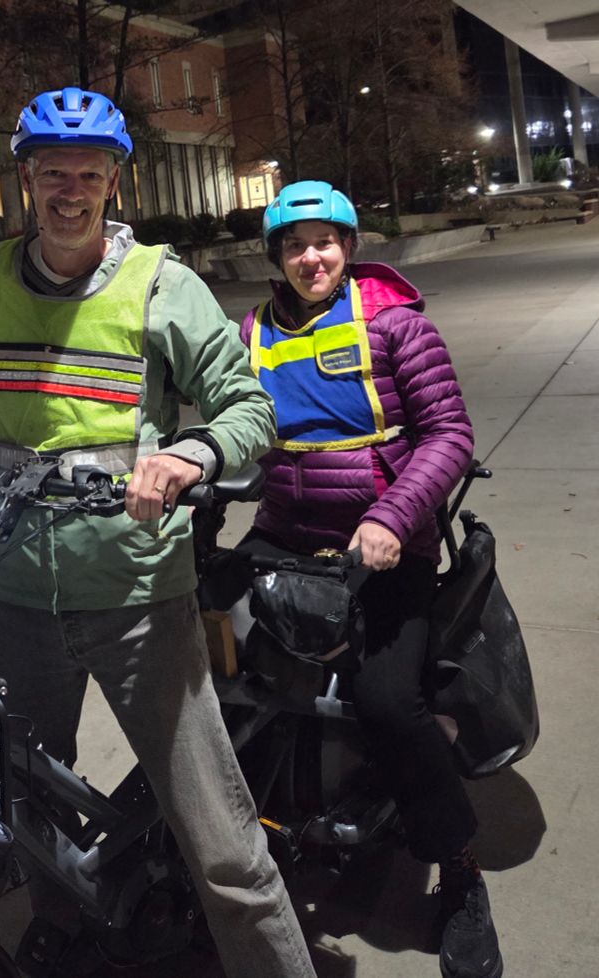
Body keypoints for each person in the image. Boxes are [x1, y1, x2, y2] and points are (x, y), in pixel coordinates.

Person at [0, 87, 317, 978]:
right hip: (14, 587)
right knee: (22, 810)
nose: (68, 191)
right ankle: (66, 939)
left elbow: (249, 408)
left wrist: (190, 455)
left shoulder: (162, 284)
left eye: (87, 174)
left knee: (218, 837)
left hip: (137, 595)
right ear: (25, 180)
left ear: (114, 181)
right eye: (51, 174)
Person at [238, 180, 501, 978]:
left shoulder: (395, 324)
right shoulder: (252, 331)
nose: (309, 257)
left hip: (385, 546)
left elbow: (450, 433)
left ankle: (457, 868)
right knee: (218, 680)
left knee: (389, 703)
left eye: (323, 241)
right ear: (277, 258)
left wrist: (391, 518)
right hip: (285, 539)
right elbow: (221, 418)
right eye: (293, 244)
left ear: (348, 247)